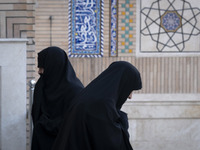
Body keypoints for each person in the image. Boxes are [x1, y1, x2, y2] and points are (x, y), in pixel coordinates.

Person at [52, 61, 142, 150]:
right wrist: (122, 120)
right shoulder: (102, 105)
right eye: (130, 90)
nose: (130, 96)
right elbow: (110, 144)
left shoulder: (89, 97)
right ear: (123, 85)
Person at [31, 46, 84, 150]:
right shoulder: (42, 86)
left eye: (43, 67)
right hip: (41, 141)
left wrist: (46, 124)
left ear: (54, 66)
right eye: (39, 67)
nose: (40, 71)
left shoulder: (75, 91)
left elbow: (74, 121)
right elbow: (36, 114)